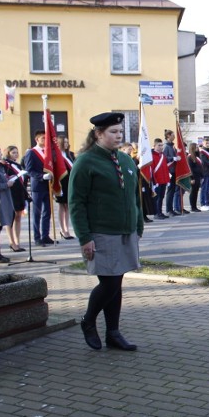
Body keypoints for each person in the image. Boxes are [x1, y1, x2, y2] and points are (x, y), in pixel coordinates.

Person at [70, 112, 143, 352]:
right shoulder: (86, 162)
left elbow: (135, 195)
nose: (118, 136)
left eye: (120, 132)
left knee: (118, 281)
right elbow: (76, 202)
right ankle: (88, 320)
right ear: (98, 134)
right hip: (102, 232)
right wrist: (85, 237)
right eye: (113, 132)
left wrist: (138, 223)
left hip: (125, 230)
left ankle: (113, 332)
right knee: (109, 283)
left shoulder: (125, 160)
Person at [23, 129, 54, 246]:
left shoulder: (48, 152)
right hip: (38, 186)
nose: (45, 140)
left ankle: (45, 235)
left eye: (47, 138)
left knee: (47, 212)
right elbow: (29, 170)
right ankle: (37, 237)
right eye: (43, 138)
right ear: (37, 139)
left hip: (48, 186)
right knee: (37, 213)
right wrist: (41, 176)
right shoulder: (31, 152)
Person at [3, 145, 28, 252]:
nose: (16, 154)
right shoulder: (5, 165)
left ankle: (18, 241)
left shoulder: (18, 165)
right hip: (11, 194)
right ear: (8, 153)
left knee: (18, 217)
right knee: (10, 218)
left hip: (19, 193)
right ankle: (12, 242)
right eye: (13, 152)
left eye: (17, 152)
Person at [55, 135, 75, 239]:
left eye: (67, 142)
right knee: (62, 205)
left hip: (70, 182)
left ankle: (67, 229)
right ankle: (62, 229)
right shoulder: (56, 155)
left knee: (68, 206)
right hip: (61, 182)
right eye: (64, 142)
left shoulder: (70, 154)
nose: (66, 144)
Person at [150, 139, 170, 219]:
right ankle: (156, 213)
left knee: (161, 197)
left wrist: (167, 180)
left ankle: (160, 212)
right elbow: (152, 170)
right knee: (157, 198)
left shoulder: (162, 155)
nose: (161, 147)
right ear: (154, 146)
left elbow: (165, 168)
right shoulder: (151, 156)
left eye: (162, 145)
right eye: (159, 145)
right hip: (157, 181)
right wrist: (154, 182)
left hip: (163, 180)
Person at [186, 143, 203, 212]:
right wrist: (192, 178)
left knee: (196, 192)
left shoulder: (197, 156)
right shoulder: (189, 157)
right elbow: (190, 169)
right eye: (196, 147)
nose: (197, 148)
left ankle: (195, 206)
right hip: (194, 177)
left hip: (198, 176)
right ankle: (192, 207)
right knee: (193, 192)